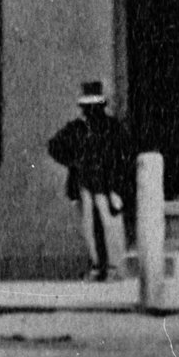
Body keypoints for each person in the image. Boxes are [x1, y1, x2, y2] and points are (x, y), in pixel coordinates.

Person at [46, 80, 135, 282]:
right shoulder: (82, 128)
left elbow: (124, 155)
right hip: (87, 184)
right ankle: (101, 265)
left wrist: (115, 181)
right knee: (93, 224)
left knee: (106, 222)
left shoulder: (110, 129)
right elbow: (54, 146)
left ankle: (111, 266)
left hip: (106, 184)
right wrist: (73, 162)